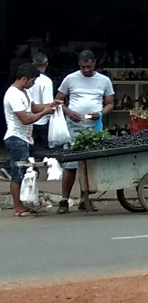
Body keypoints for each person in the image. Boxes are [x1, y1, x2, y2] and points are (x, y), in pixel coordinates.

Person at [56, 50, 116, 211]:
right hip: (74, 126)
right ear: (79, 65)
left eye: (89, 66)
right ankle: (64, 200)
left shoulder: (104, 81)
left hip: (93, 128)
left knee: (89, 164)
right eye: (83, 67)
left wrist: (100, 114)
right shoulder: (70, 79)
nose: (86, 70)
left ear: (94, 63)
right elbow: (58, 100)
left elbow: (110, 103)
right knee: (70, 164)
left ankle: (85, 199)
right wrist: (69, 112)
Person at [6, 64, 59, 217]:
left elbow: (33, 108)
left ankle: (24, 204)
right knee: (18, 173)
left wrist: (50, 105)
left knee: (28, 173)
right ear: (24, 79)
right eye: (32, 81)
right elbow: (26, 119)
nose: (34, 84)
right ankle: (18, 207)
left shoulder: (24, 92)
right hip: (16, 138)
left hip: (26, 139)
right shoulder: (13, 95)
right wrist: (45, 112)